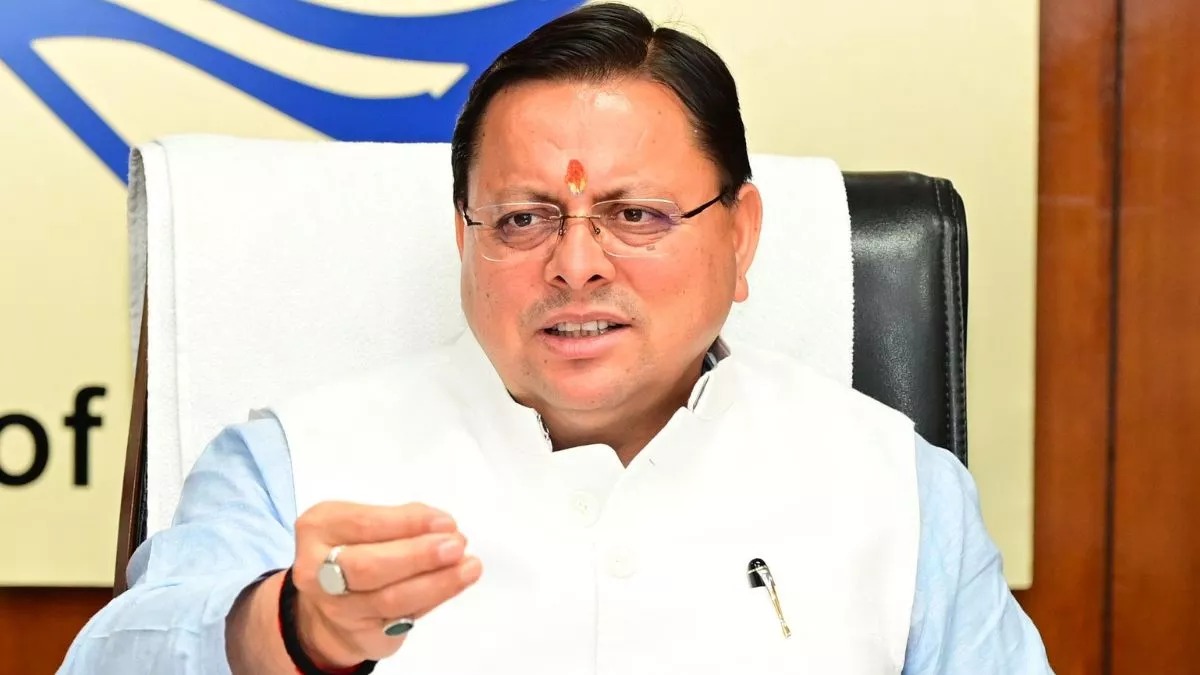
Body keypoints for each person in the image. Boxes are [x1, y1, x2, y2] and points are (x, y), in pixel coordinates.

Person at [61, 4, 1052, 674]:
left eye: (636, 215)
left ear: (741, 234)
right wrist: (289, 629)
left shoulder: (893, 487)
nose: (576, 266)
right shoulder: (295, 464)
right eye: (525, 219)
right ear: (464, 239)